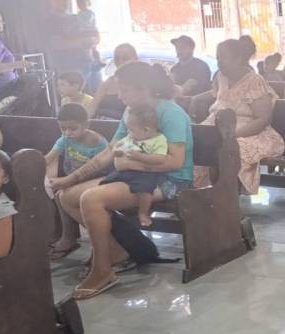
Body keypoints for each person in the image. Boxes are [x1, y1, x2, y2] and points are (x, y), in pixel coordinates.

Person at [50, 62, 193, 300]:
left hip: (169, 180)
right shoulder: (130, 111)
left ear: (143, 88)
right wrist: (70, 179)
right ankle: (115, 252)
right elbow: (110, 151)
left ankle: (102, 270)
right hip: (133, 174)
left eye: (124, 90)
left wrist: (132, 164)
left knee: (91, 198)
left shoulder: (171, 113)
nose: (119, 95)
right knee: (67, 196)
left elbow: (176, 162)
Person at [200, 39, 284, 195]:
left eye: (223, 57)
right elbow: (215, 95)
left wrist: (232, 136)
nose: (219, 62)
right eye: (217, 58)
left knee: (228, 150)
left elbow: (262, 119)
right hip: (218, 127)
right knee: (197, 145)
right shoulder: (220, 77)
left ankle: (226, 196)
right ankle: (203, 194)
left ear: (238, 58)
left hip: (250, 132)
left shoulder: (254, 81)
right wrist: (194, 99)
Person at [45, 103, 108, 259]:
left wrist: (66, 181)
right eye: (63, 128)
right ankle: (68, 237)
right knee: (57, 194)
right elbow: (50, 156)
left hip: (97, 180)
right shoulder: (65, 139)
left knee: (62, 195)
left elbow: (97, 169)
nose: (67, 133)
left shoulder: (97, 143)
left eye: (73, 128)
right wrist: (36, 165)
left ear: (86, 125)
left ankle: (98, 242)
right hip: (73, 180)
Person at [102, 103, 167, 227]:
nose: (128, 132)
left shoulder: (159, 140)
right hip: (126, 171)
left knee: (146, 191)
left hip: (145, 173)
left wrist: (140, 156)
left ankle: (143, 213)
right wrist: (117, 151)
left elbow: (160, 158)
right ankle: (114, 213)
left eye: (131, 129)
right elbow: (118, 145)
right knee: (106, 181)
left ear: (146, 130)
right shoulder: (131, 136)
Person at [44, 0, 99, 77]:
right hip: (69, 67)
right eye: (57, 0)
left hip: (91, 62)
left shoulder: (77, 17)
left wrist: (95, 39)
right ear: (50, 2)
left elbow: (94, 33)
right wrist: (83, 41)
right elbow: (57, 44)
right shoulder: (50, 20)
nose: (62, 2)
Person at [89, 43, 139, 119]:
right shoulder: (108, 82)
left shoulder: (142, 83)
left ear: (135, 59)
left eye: (125, 58)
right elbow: (92, 107)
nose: (120, 61)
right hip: (100, 122)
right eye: (117, 58)